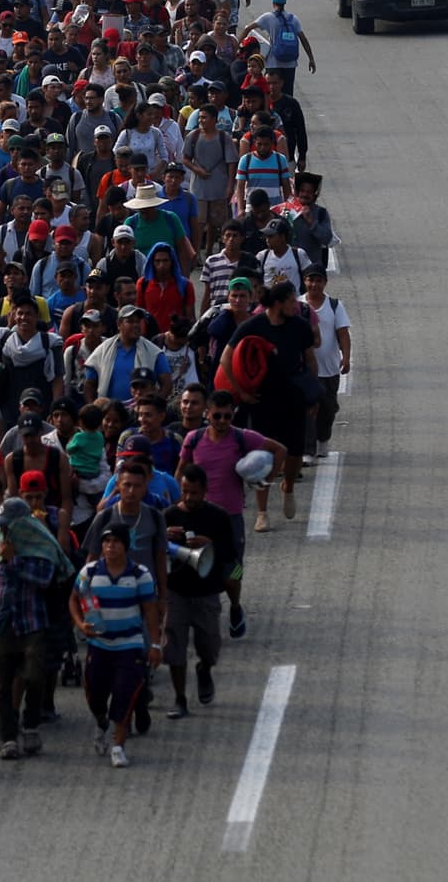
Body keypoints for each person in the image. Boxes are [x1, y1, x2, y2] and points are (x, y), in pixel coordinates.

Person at [0, 496, 74, 759]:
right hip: (2, 623)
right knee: (1, 685)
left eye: (9, 524)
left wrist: (13, 562)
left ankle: (31, 724)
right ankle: (8, 737)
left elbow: (44, 579)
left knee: (34, 677)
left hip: (33, 623)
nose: (4, 530)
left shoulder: (43, 545)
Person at [180, 390, 281, 635]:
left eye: (227, 416)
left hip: (229, 520)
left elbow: (280, 451)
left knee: (233, 573)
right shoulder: (193, 439)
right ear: (208, 414)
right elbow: (180, 472)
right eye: (217, 416)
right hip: (197, 516)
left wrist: (265, 478)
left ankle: (235, 606)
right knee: (193, 570)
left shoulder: (242, 438)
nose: (223, 421)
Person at [74, 525, 162, 769]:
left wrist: (155, 644)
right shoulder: (89, 572)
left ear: (126, 545)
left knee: (125, 695)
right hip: (98, 645)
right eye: (106, 541)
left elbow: (151, 611)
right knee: (94, 694)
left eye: (116, 541)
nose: (110, 546)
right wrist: (81, 623)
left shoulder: (140, 575)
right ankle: (101, 721)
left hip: (129, 646)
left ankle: (118, 746)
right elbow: (73, 599)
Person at [233, 279, 320, 523]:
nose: (296, 304)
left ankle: (288, 487)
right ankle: (262, 512)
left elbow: (310, 360)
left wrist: (314, 396)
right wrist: (243, 391)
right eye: (292, 300)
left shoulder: (300, 326)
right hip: (263, 400)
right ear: (278, 303)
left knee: (294, 452)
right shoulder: (255, 325)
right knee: (264, 454)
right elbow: (227, 358)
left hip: (294, 397)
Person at [160, 464, 236, 716]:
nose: (189, 498)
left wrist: (210, 544)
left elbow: (231, 556)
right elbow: (150, 551)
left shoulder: (218, 517)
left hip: (206, 591)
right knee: (174, 645)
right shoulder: (167, 516)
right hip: (176, 591)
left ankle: (205, 669)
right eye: (185, 492)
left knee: (210, 645)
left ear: (205, 490)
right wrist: (164, 538)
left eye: (194, 492)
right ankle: (180, 699)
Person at [301, 265, 351, 459]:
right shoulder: (297, 305)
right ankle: (308, 448)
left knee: (327, 410)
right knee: (308, 410)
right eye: (310, 280)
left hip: (329, 370)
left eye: (318, 280)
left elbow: (343, 334)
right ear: (304, 281)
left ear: (324, 282)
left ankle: (323, 440)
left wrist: (345, 357)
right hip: (305, 370)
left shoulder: (334, 305)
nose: (314, 284)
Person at [246, 0, 315, 96]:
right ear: (285, 2)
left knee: (270, 93)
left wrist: (237, 44)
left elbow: (247, 28)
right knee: (288, 95)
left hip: (273, 63)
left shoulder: (268, 17)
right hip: (290, 64)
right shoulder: (293, 19)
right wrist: (311, 59)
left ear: (273, 2)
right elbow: (304, 40)